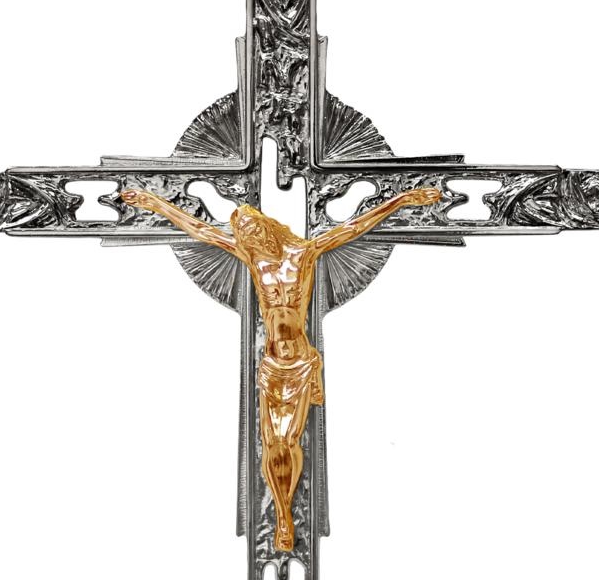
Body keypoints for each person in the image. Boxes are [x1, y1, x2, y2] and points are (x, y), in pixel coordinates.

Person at [121, 185, 442, 550]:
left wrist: (402, 200)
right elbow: (200, 230)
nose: (250, 236)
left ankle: (287, 515)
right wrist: (154, 203)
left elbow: (354, 228)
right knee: (273, 445)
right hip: (272, 365)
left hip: (301, 364)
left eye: (253, 229)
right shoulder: (251, 259)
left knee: (289, 442)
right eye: (244, 233)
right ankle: (283, 516)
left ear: (268, 227)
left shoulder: (304, 253)